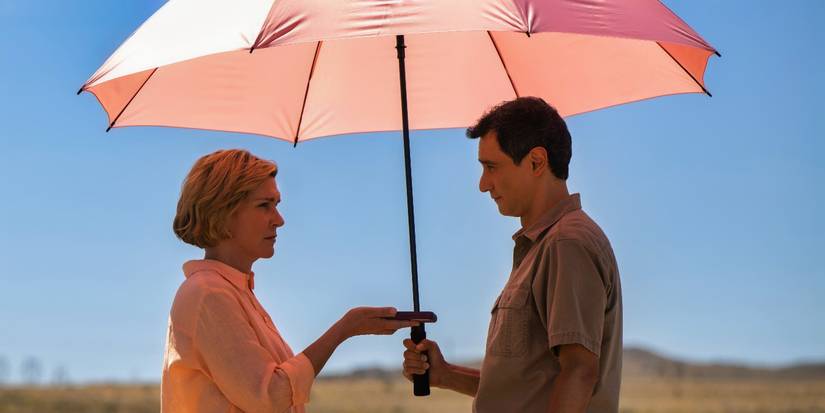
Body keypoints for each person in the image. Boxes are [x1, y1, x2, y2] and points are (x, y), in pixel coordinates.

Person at [402, 97, 623, 412]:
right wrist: (447, 375)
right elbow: (527, 388)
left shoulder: (566, 243)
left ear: (536, 161)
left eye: (491, 167)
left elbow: (579, 372)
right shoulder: (544, 246)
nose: (483, 184)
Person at [162, 149, 418, 413]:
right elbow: (271, 394)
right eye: (264, 205)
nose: (279, 220)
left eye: (277, 205)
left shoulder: (232, 291)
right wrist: (344, 329)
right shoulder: (207, 293)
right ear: (223, 212)